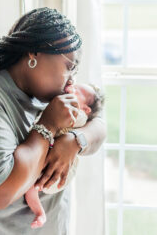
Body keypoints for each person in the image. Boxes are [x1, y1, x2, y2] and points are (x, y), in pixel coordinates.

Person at [0, 7, 106, 235]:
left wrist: (74, 140)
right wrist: (48, 127)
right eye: (69, 66)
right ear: (35, 53)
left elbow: (100, 126)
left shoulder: (45, 92)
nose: (72, 79)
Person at [24, 82, 105, 229]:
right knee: (32, 188)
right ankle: (39, 212)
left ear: (85, 109)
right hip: (39, 163)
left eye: (77, 91)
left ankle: (39, 211)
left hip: (56, 172)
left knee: (35, 185)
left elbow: (97, 126)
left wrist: (73, 139)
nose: (71, 87)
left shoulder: (78, 115)